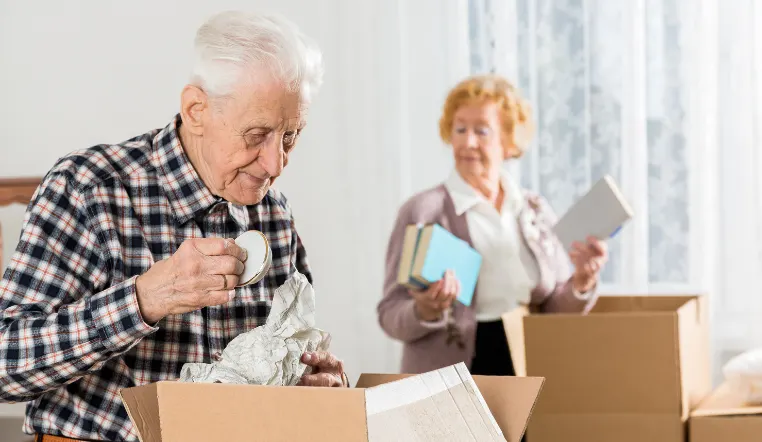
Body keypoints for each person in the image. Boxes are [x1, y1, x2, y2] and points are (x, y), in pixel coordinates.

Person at [0, 11, 347, 442]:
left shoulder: (274, 212)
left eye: (291, 136)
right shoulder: (89, 188)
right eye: (257, 135)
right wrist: (143, 300)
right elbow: (4, 366)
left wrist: (324, 384)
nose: (276, 164)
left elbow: (291, 355)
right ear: (196, 109)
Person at [378, 74, 609, 376]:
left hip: (528, 365)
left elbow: (554, 307)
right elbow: (390, 313)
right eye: (459, 129)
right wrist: (425, 309)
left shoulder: (533, 209)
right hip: (453, 378)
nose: (467, 142)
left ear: (508, 142)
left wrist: (582, 280)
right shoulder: (423, 211)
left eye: (481, 131)